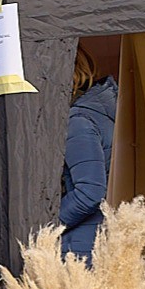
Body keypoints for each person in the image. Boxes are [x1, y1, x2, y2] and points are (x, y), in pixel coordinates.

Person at [56, 50, 117, 261]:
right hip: (100, 236)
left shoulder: (78, 119)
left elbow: (89, 192)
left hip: (81, 246)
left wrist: (45, 226)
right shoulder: (102, 110)